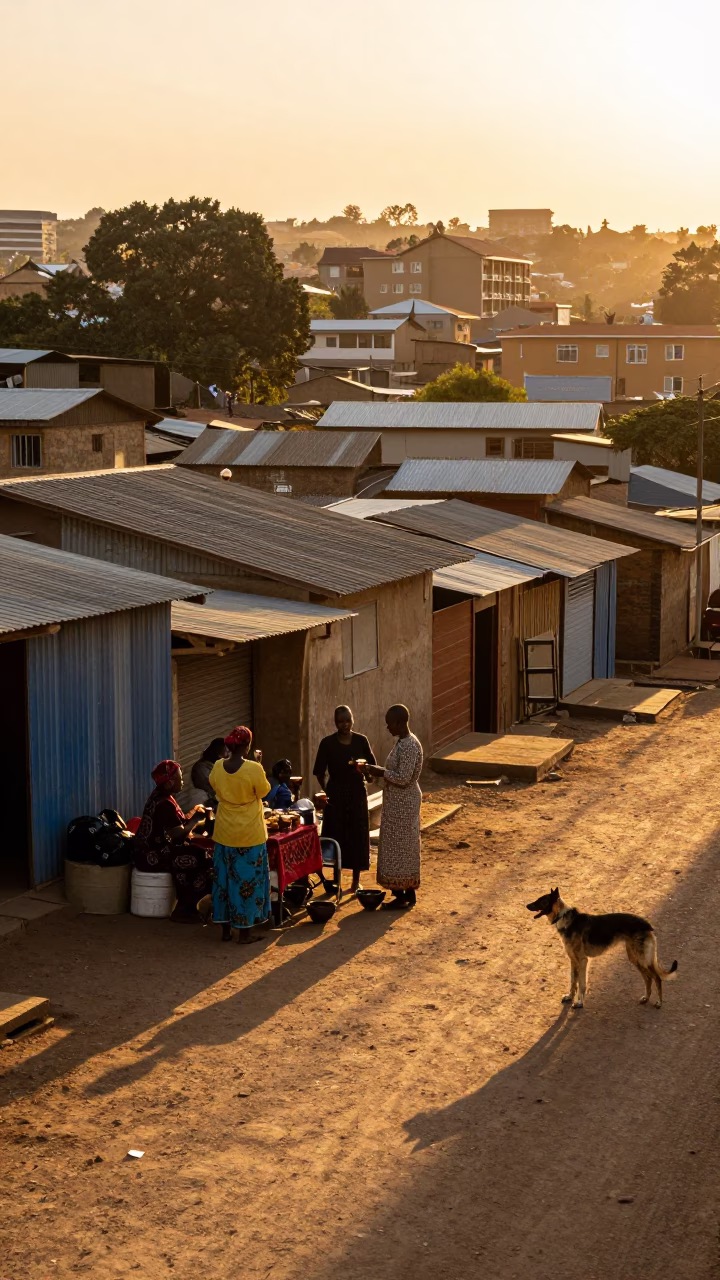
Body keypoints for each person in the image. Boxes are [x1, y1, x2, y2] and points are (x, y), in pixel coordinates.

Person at [209, 726, 272, 943]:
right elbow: (263, 791)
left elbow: (215, 788)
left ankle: (225, 931)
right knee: (247, 884)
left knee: (224, 882)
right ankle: (244, 933)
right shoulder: (254, 769)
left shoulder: (217, 767)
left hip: (224, 833)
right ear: (247, 746)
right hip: (249, 836)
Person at [133, 759, 214, 921]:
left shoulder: (163, 797)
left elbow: (177, 825)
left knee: (197, 852)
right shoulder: (164, 803)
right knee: (201, 857)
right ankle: (186, 907)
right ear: (169, 783)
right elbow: (176, 835)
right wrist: (195, 819)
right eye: (179, 778)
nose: (182, 780)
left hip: (153, 851)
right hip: (151, 856)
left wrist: (193, 821)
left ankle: (187, 905)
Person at [313, 705, 376, 895]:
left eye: (348, 720)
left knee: (357, 835)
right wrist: (326, 791)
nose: (345, 724)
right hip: (336, 796)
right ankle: (336, 880)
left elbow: (372, 768)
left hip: (357, 794)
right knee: (336, 835)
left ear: (352, 720)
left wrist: (366, 773)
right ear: (335, 722)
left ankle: (356, 882)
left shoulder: (361, 741)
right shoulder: (327, 743)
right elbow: (318, 771)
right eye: (340, 721)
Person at [366, 705, 423, 909]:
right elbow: (393, 775)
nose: (387, 727)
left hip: (404, 804)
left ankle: (405, 893)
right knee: (395, 847)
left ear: (399, 722)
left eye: (389, 723)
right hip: (396, 803)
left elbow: (404, 778)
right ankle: (403, 893)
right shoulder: (402, 743)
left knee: (403, 848)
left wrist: (380, 772)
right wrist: (373, 775)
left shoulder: (409, 745)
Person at [186, 738, 228, 809]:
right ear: (218, 753)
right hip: (202, 802)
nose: (228, 754)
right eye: (226, 751)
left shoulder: (218, 765)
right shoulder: (202, 767)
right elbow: (210, 786)